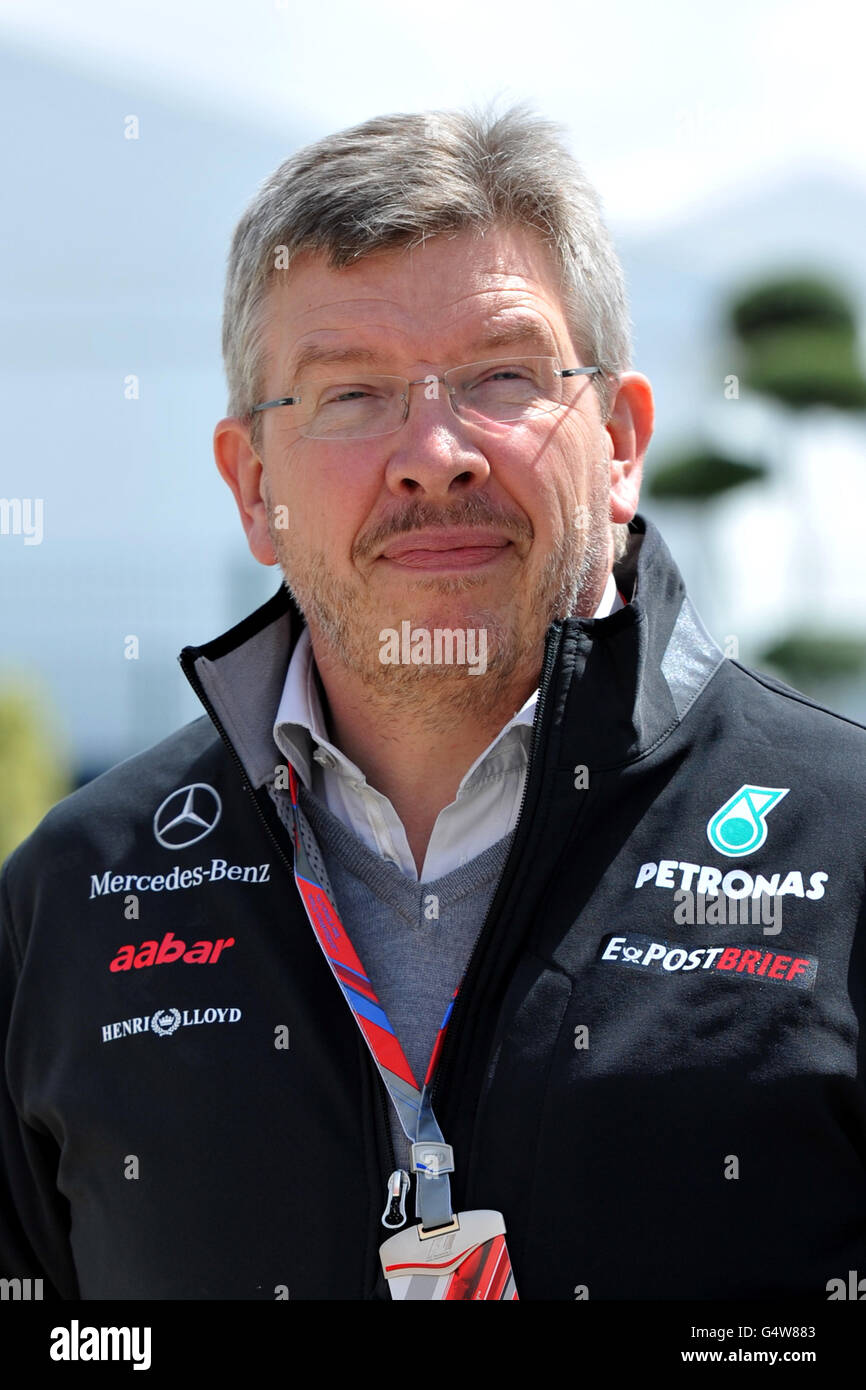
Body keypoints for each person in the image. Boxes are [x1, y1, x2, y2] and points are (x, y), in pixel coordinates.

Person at [1, 106, 864, 1302]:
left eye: (501, 374)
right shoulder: (70, 897)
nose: (433, 450)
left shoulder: (845, 845)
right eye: (350, 393)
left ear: (618, 444)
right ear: (254, 487)